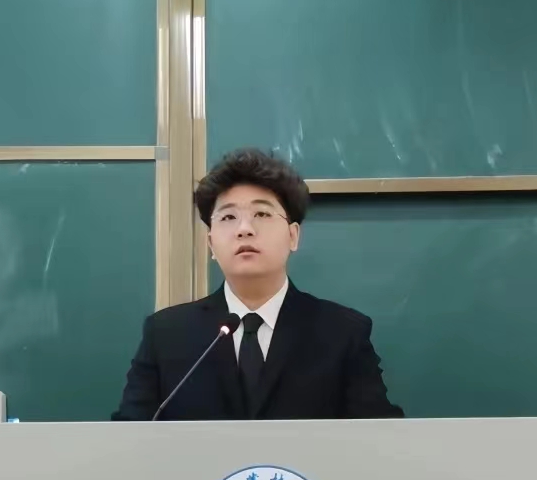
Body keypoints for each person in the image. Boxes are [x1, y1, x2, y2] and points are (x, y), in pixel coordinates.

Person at [112, 148, 402, 421]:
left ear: (293, 236)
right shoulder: (166, 335)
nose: (244, 229)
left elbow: (382, 437)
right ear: (211, 244)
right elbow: (128, 436)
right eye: (228, 217)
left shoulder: (343, 333)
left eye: (261, 214)